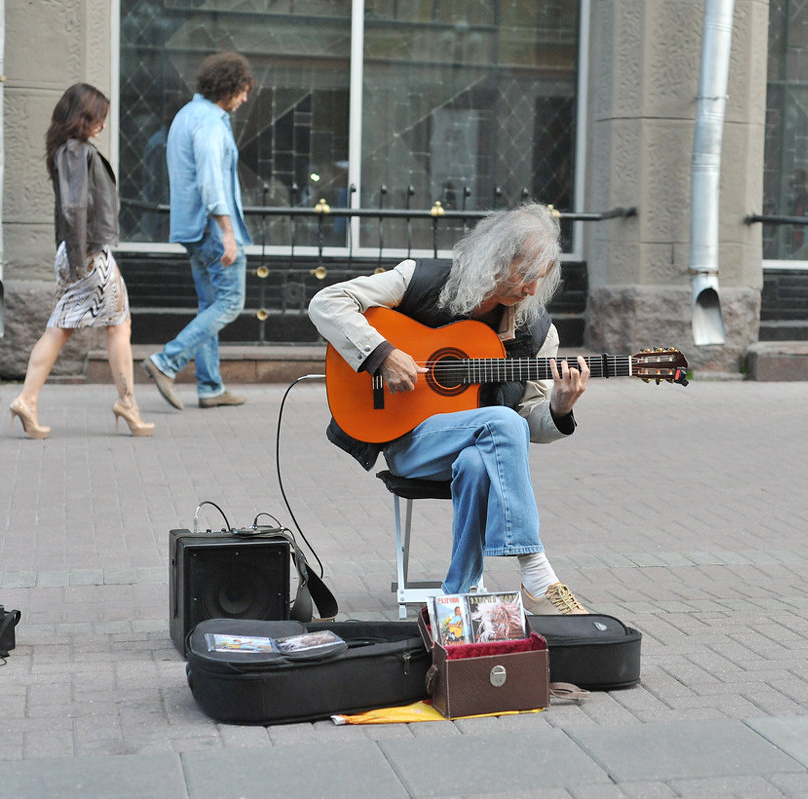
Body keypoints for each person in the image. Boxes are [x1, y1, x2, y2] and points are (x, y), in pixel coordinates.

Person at [308, 203, 591, 615]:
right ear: (495, 258)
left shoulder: (538, 333)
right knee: (502, 421)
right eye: (525, 275)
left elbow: (530, 422)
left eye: (539, 281)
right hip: (408, 440)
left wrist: (560, 409)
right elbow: (327, 302)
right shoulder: (420, 280)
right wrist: (382, 354)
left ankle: (454, 597)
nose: (531, 290)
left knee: (482, 460)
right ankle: (535, 571)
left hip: (483, 445)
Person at [9, 83, 153, 440]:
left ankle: (28, 400)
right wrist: (81, 259)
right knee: (117, 326)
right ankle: (127, 404)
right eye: (97, 118)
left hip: (81, 251)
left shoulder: (68, 149)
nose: (101, 125)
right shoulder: (75, 151)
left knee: (63, 328)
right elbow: (74, 208)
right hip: (89, 252)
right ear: (81, 117)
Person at [142, 52, 254, 410]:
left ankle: (210, 387)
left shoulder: (186, 116)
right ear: (230, 88)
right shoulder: (208, 122)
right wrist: (227, 231)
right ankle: (166, 362)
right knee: (230, 303)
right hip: (211, 229)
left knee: (209, 304)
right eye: (243, 91)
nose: (245, 98)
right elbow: (210, 183)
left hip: (191, 228)